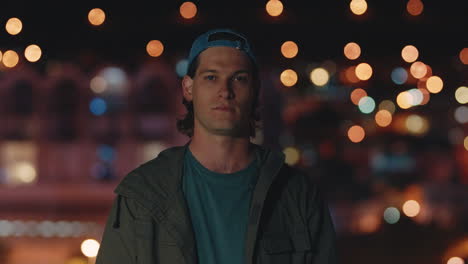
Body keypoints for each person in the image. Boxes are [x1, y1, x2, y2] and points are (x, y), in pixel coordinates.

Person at [95, 28, 338, 264]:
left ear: (255, 90)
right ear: (189, 88)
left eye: (239, 79)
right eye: (211, 77)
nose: (225, 91)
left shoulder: (298, 195)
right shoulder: (142, 194)